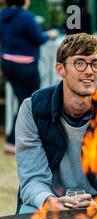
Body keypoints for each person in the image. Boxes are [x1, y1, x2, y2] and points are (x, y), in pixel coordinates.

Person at [15, 33, 97, 214]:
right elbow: (33, 179)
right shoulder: (33, 109)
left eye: (95, 64)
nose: (89, 71)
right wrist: (49, 202)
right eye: (80, 63)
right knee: (27, 216)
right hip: (51, 200)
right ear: (60, 69)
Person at [0, 0, 57, 155]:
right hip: (25, 65)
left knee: (23, 101)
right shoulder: (26, 17)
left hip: (8, 63)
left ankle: (17, 140)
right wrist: (50, 35)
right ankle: (14, 141)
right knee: (31, 102)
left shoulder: (2, 16)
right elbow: (38, 38)